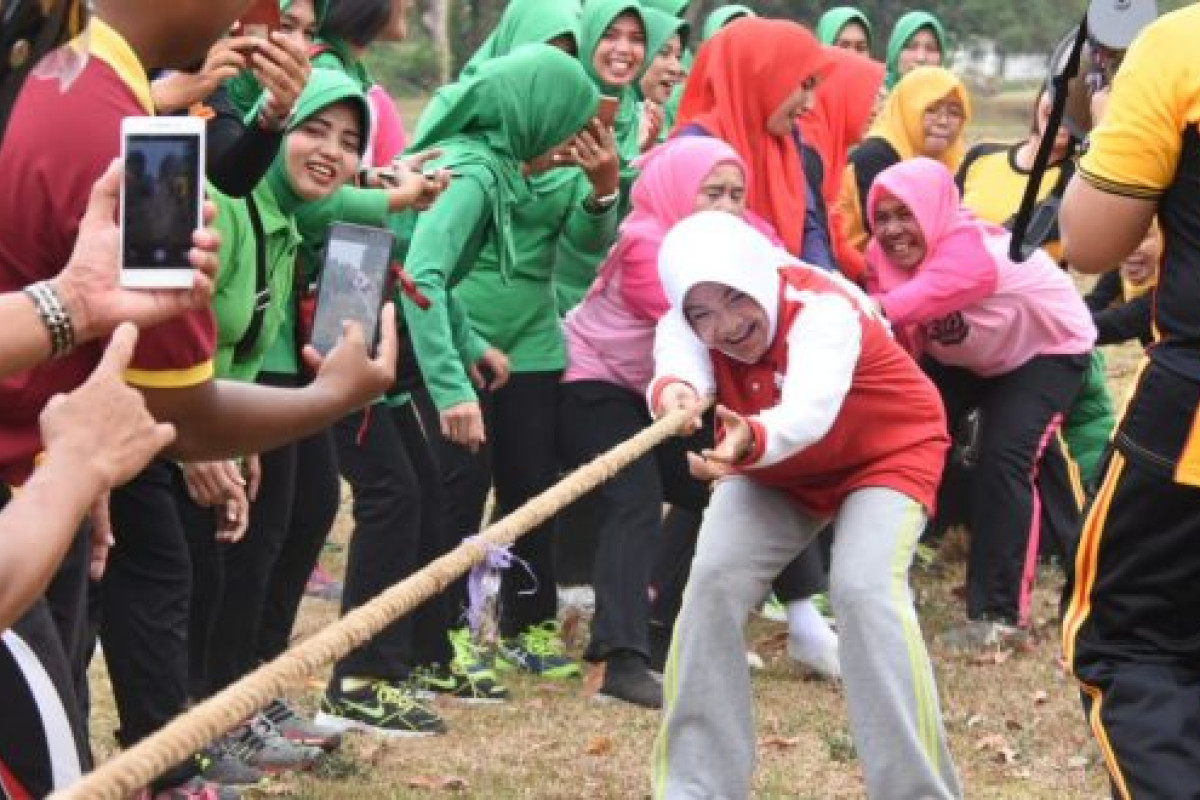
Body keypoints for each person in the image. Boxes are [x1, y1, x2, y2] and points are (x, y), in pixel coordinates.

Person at [0, 2, 399, 796]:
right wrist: (332, 394)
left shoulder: (67, 80)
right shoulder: (138, 139)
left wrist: (71, 316)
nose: (257, 13)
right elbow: (177, 412)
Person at [313, 45, 600, 735]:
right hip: (355, 329)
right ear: (533, 114)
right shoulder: (475, 174)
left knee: (412, 494)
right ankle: (358, 678)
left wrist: (474, 347)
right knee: (393, 497)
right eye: (566, 120)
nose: (571, 140)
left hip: (384, 320)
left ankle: (413, 653)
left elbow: (420, 265)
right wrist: (453, 390)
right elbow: (427, 280)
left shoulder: (493, 168)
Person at [179, 70, 444, 780]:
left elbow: (353, 206)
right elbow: (190, 330)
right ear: (272, 132)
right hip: (225, 397)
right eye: (314, 130)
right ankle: (216, 711)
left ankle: (255, 691)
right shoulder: (233, 202)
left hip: (270, 383)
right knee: (241, 550)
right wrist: (206, 437)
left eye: (349, 139)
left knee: (302, 518)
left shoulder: (297, 211)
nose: (330, 150)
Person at [650, 210, 960, 799]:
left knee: (863, 590)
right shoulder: (686, 327)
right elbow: (677, 358)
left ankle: (916, 791)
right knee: (712, 581)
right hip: (774, 463)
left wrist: (751, 440)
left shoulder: (825, 308)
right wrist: (677, 393)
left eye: (734, 300)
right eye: (702, 312)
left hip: (885, 449)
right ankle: (695, 788)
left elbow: (809, 412)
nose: (724, 325)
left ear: (757, 278)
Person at [560, 137, 779, 708]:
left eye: (737, 194)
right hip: (597, 382)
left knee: (721, 490)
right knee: (634, 499)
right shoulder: (643, 244)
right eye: (712, 193)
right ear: (678, 192)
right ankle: (619, 662)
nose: (728, 207)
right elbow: (709, 319)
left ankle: (659, 632)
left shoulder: (743, 240)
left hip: (666, 397)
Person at [865, 157, 1095, 650]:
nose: (892, 231)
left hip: (1045, 351)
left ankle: (998, 616)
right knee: (901, 441)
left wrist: (848, 309)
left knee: (1004, 458)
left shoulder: (977, 252)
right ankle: (879, 578)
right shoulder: (880, 256)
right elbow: (896, 339)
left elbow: (901, 306)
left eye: (906, 214)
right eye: (881, 217)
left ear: (933, 210)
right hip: (970, 358)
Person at [1059, 7, 1200, 795]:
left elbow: (1092, 242)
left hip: (1191, 434)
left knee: (1133, 648)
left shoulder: (1181, 47)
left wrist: (1108, 130)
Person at [554, 0, 648, 314]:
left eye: (636, 39)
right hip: (557, 300)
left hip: (616, 299)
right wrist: (605, 191)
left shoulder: (636, 117)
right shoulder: (557, 113)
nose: (624, 49)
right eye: (609, 36)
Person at [837, 65, 970, 267]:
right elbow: (891, 238)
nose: (943, 121)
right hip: (860, 271)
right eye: (931, 110)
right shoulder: (875, 157)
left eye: (954, 113)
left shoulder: (955, 159)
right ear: (908, 110)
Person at [798, 47, 885, 284]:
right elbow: (814, 236)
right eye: (868, 96)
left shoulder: (826, 146)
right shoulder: (807, 151)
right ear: (841, 93)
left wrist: (871, 274)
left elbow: (833, 233)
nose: (876, 110)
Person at [1084, 220, 1157, 348]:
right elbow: (1094, 302)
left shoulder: (1180, 284)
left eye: (1143, 236)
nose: (1129, 247)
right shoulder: (1124, 268)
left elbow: (1118, 324)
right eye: (1120, 237)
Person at [636, 8, 688, 152]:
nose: (677, 68)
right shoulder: (601, 117)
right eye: (664, 53)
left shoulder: (660, 120)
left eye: (678, 57)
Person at [884, 10, 947, 90]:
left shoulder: (952, 98)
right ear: (894, 52)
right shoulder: (871, 97)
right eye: (911, 47)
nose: (921, 58)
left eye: (931, 48)